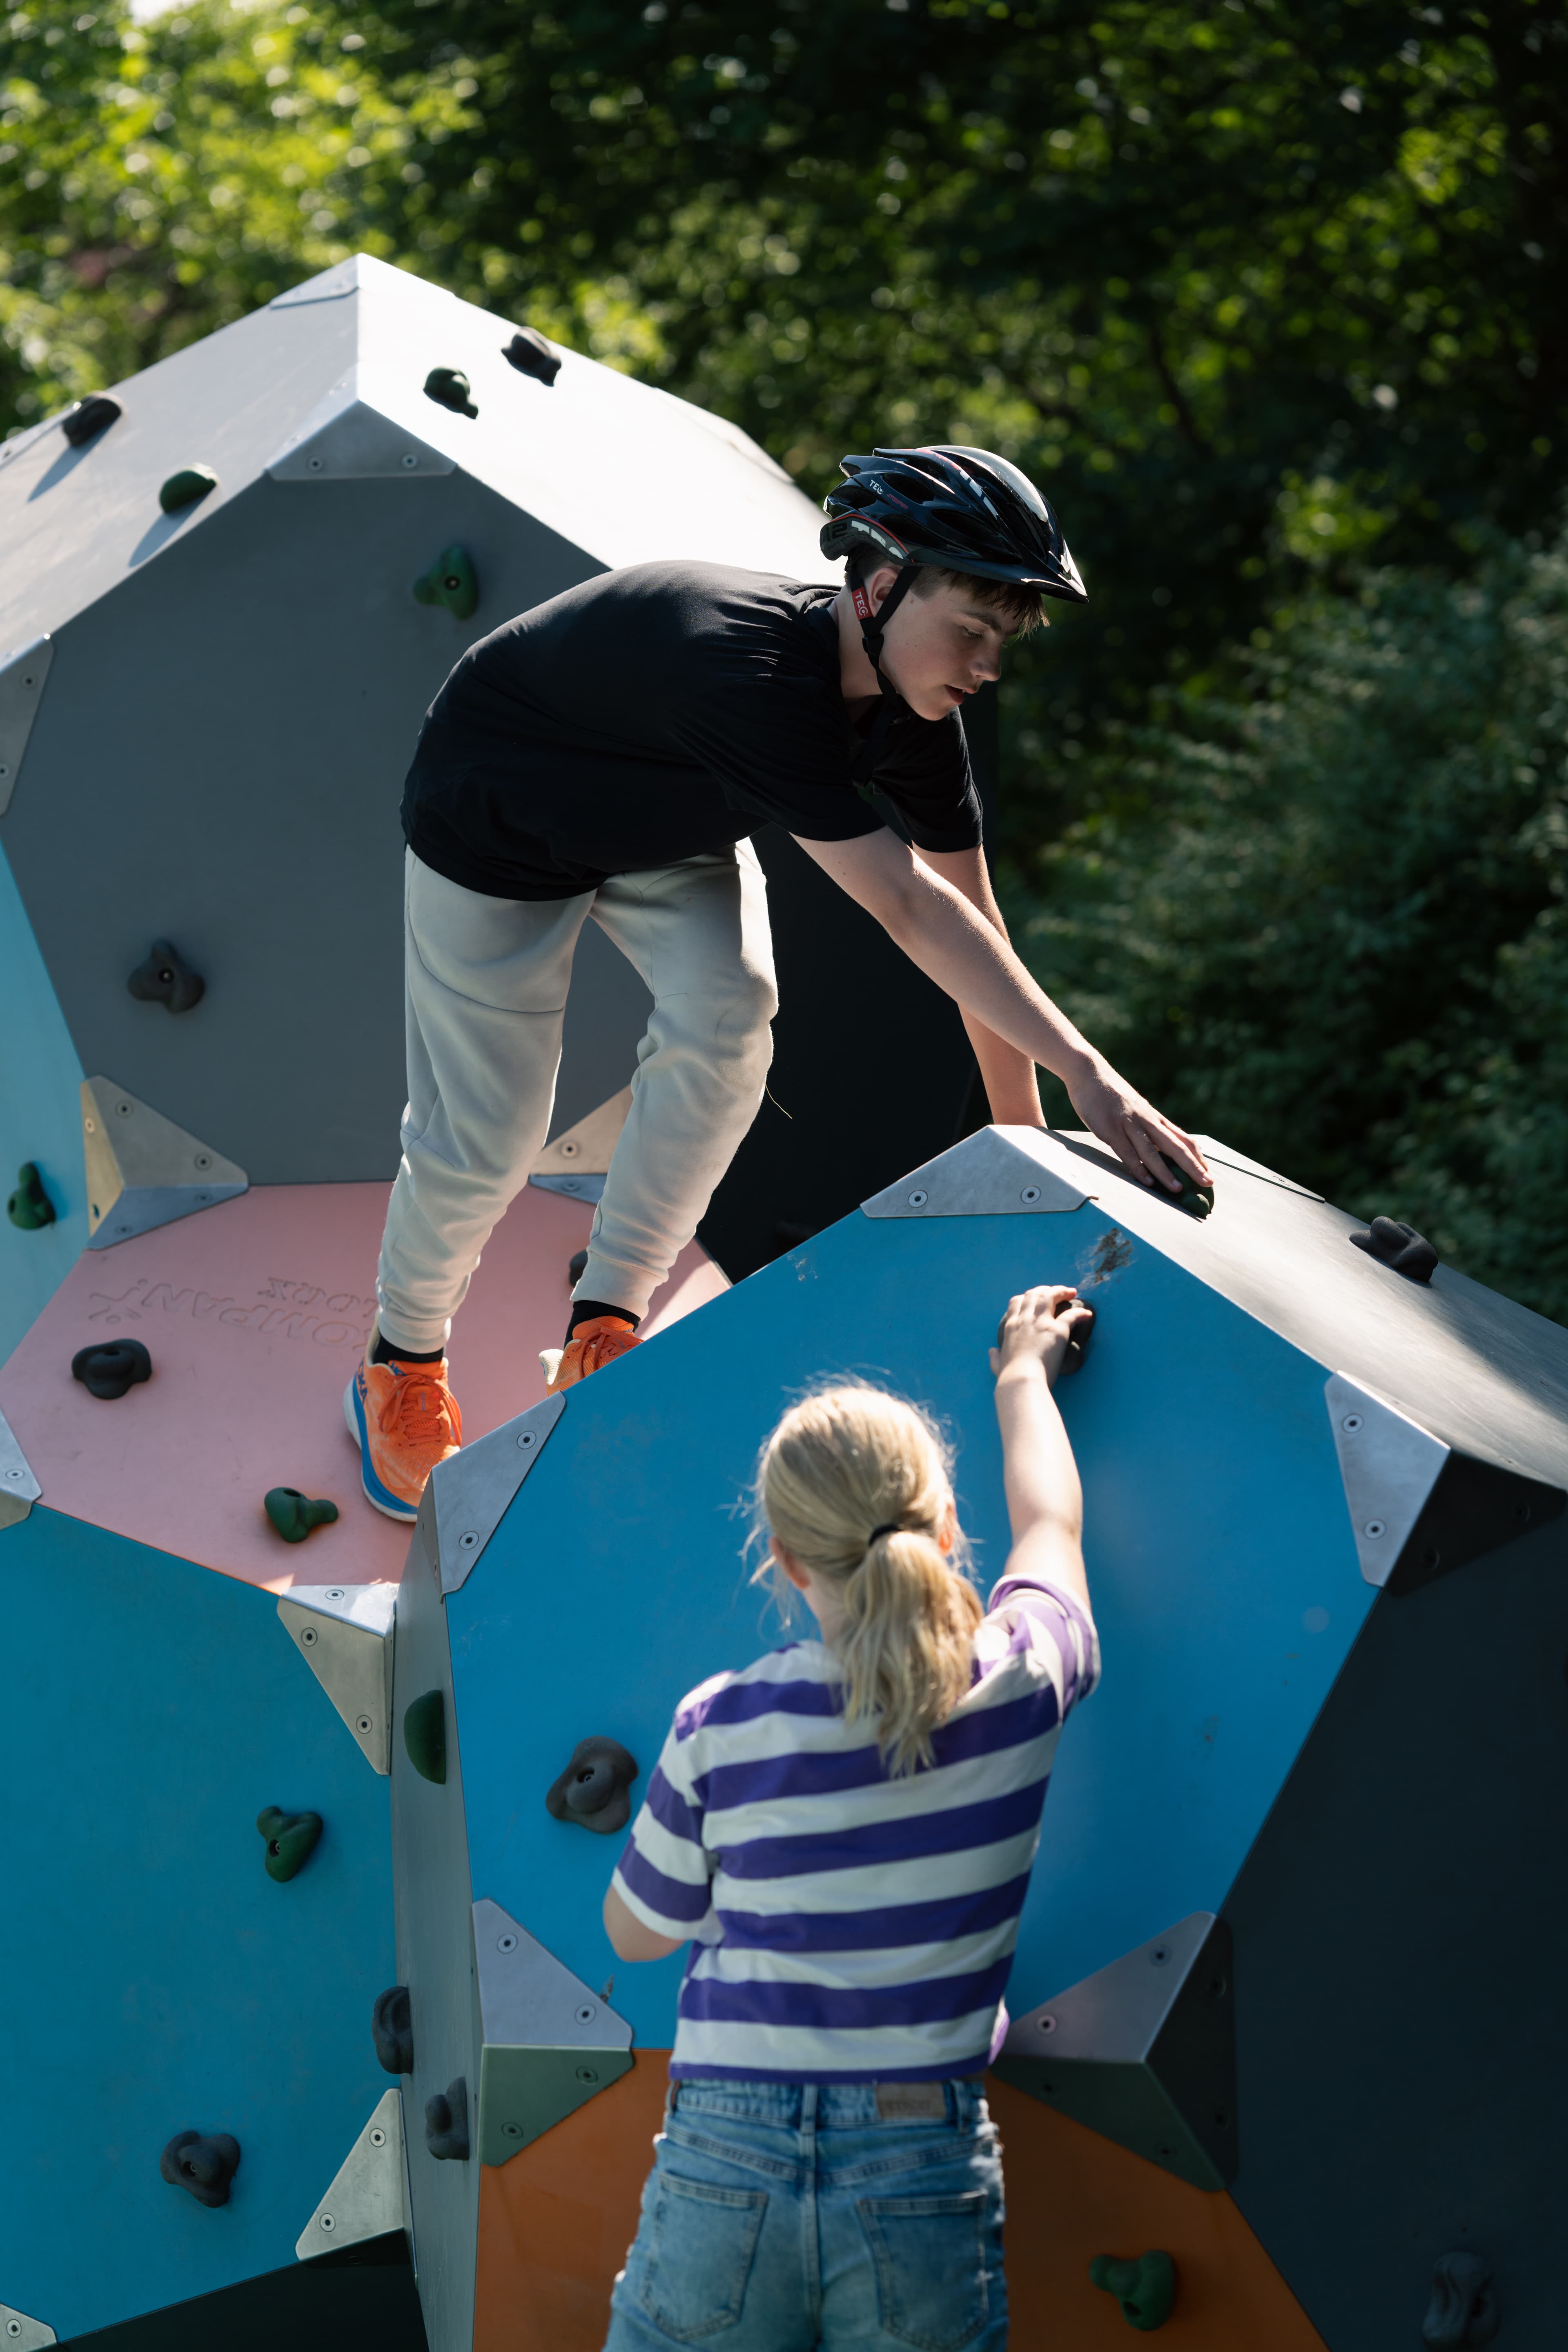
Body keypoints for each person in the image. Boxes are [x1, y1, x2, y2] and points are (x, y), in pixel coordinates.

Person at [345, 443, 1208, 1520]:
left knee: (732, 1019)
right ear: (880, 585)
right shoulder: (750, 675)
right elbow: (905, 910)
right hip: (502, 814)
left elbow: (971, 925)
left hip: (666, 818)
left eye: (1005, 643)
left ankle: (605, 1321)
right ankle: (400, 1361)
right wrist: (1092, 1072)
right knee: (490, 1136)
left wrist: (1023, 1152)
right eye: (974, 631)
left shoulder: (915, 717)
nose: (987, 668)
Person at [599, 1280, 1098, 2352]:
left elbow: (636, 1933)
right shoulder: (1016, 1684)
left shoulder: (720, 1723)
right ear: (948, 1524)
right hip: (921, 2160)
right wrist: (1022, 1371)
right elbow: (1052, 1525)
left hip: (723, 2157)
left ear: (782, 1559)